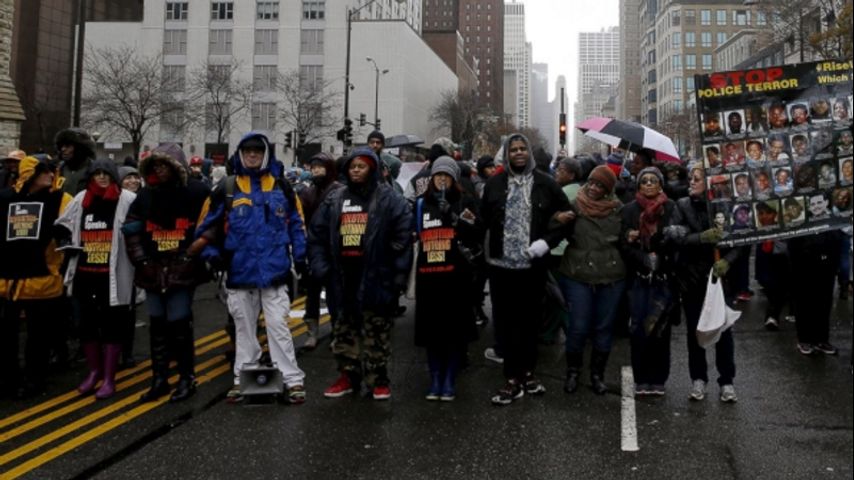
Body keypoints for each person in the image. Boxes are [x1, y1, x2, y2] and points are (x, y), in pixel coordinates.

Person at [195, 133, 308, 405]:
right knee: (244, 329)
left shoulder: (282, 186)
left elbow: (297, 224)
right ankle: (241, 378)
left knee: (278, 326)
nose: (253, 155)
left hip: (275, 269)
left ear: (266, 153)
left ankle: (292, 380)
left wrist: (302, 256)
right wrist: (213, 256)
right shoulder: (227, 187)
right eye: (248, 151)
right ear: (241, 153)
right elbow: (204, 227)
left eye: (258, 150)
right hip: (240, 270)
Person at [309, 147, 412, 401]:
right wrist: (321, 268)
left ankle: (378, 380)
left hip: (377, 277)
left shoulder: (389, 199)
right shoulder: (335, 199)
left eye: (361, 166)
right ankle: (348, 377)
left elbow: (403, 236)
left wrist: (396, 274)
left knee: (376, 332)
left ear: (372, 169)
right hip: (342, 278)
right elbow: (317, 236)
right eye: (352, 166)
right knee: (344, 330)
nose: (356, 170)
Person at [480, 133, 572, 406]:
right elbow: (483, 221)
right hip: (500, 267)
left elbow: (568, 218)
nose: (518, 153)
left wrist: (546, 243)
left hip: (531, 267)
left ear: (529, 153)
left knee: (530, 322)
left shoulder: (546, 183)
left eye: (523, 149)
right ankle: (511, 377)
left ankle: (529, 372)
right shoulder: (494, 184)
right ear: (506, 154)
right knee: (506, 323)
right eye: (513, 149)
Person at [122, 143, 210, 403]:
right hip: (153, 267)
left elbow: (210, 225)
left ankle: (186, 377)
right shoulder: (146, 195)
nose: (160, 170)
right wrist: (142, 261)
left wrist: (193, 252)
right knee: (157, 323)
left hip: (182, 266)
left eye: (165, 165)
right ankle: (159, 378)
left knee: (180, 321)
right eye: (155, 165)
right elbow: (131, 229)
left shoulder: (196, 191)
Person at [55, 160, 136, 399]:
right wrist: (66, 242)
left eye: (106, 174)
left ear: (113, 176)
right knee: (87, 325)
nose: (101, 178)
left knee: (112, 325)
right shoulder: (82, 199)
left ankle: (110, 377)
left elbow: (138, 226)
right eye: (97, 174)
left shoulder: (126, 199)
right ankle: (94, 372)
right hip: (85, 273)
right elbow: (61, 225)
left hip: (113, 274)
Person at [0, 156, 73, 398]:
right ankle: (9, 379)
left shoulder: (60, 200)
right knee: (7, 336)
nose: (51, 176)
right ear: (30, 173)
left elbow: (71, 228)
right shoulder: (7, 198)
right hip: (8, 281)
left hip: (42, 279)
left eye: (52, 171)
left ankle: (35, 379)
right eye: (44, 172)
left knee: (38, 337)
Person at [413, 157, 482, 401]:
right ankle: (435, 378)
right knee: (432, 333)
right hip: (429, 276)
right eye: (438, 175)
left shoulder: (464, 202)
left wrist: (454, 217)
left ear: (454, 179)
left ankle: (449, 379)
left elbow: (476, 232)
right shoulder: (421, 204)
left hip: (456, 277)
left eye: (447, 176)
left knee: (453, 333)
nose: (442, 180)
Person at [674, 164, 739, 402]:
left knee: (723, 330)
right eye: (691, 178)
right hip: (692, 278)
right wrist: (700, 238)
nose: (691, 182)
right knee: (695, 331)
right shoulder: (681, 206)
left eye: (697, 179)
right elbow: (675, 237)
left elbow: (740, 241)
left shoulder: (725, 208)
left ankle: (727, 381)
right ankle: (698, 379)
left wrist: (728, 262)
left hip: (719, 279)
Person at [559, 165, 623, 396]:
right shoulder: (574, 205)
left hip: (611, 275)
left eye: (601, 186)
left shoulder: (618, 209)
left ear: (608, 190)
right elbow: (554, 229)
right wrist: (558, 219)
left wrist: (632, 235)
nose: (594, 188)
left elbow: (625, 239)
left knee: (604, 328)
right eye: (592, 183)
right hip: (578, 274)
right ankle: (573, 371)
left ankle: (597, 374)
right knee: (578, 327)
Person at [621, 167, 682, 396]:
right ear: (638, 185)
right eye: (644, 181)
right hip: (639, 278)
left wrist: (662, 250)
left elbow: (677, 240)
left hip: (663, 278)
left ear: (660, 185)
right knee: (638, 328)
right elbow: (622, 243)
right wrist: (642, 255)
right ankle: (641, 378)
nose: (648, 184)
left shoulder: (671, 207)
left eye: (653, 181)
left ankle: (658, 378)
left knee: (660, 329)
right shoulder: (629, 209)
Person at [297, 152, 342, 348]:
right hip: (313, 247)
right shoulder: (307, 192)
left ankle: (337, 330)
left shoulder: (339, 190)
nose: (316, 170)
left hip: (333, 248)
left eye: (320, 166)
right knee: (312, 292)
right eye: (313, 166)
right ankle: (312, 331)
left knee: (335, 293)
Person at [789, 229, 843, 356]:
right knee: (804, 301)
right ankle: (804, 339)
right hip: (803, 263)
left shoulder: (830, 217)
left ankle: (821, 339)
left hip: (826, 263)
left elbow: (837, 235)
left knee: (824, 302)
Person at [55, 127, 96, 195]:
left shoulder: (94, 169)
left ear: (80, 148)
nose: (63, 149)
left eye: (68, 146)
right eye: (61, 146)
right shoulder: (58, 169)